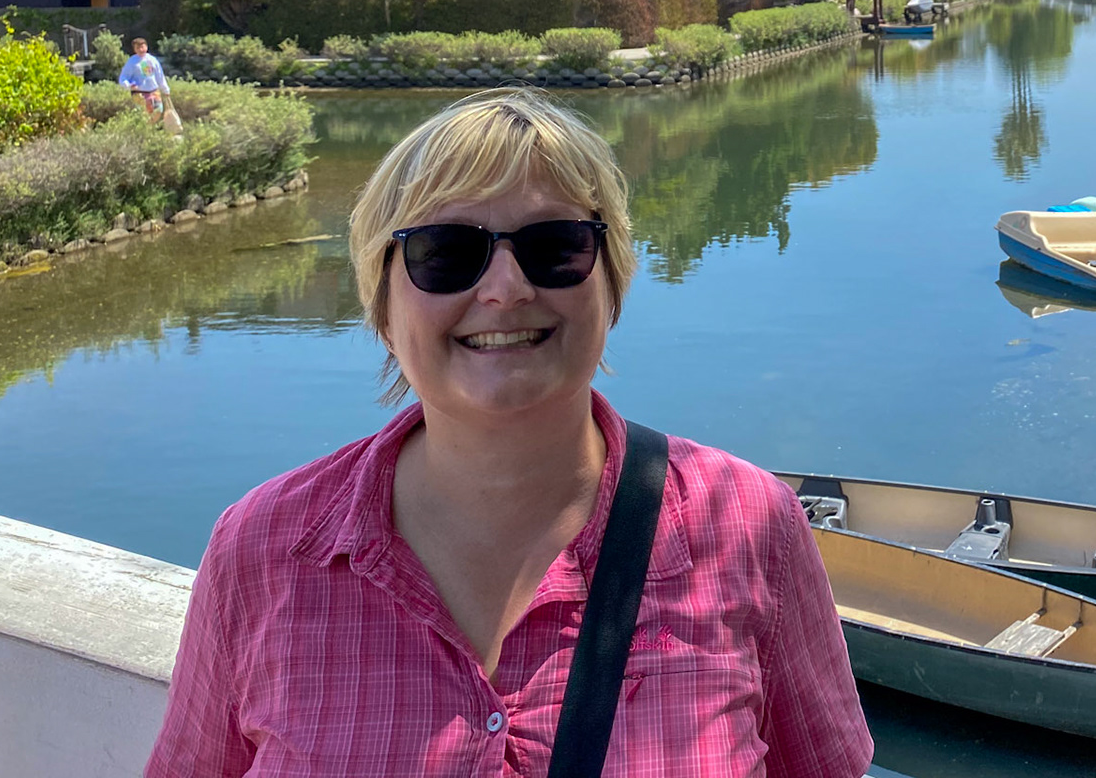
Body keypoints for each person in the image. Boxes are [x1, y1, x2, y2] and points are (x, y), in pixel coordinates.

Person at [147, 89, 872, 777]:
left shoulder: (749, 527)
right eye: (445, 253)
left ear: (611, 282)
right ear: (382, 304)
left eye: (554, 246)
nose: (504, 288)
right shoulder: (263, 550)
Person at [118, 37, 171, 124]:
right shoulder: (132, 62)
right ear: (134, 49)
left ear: (146, 47)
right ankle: (145, 130)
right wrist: (128, 85)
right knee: (143, 114)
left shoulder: (152, 60)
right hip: (139, 93)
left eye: (142, 47)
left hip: (154, 91)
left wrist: (165, 89)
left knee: (158, 110)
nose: (141, 50)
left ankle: (151, 126)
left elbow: (160, 76)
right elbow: (123, 77)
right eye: (138, 48)